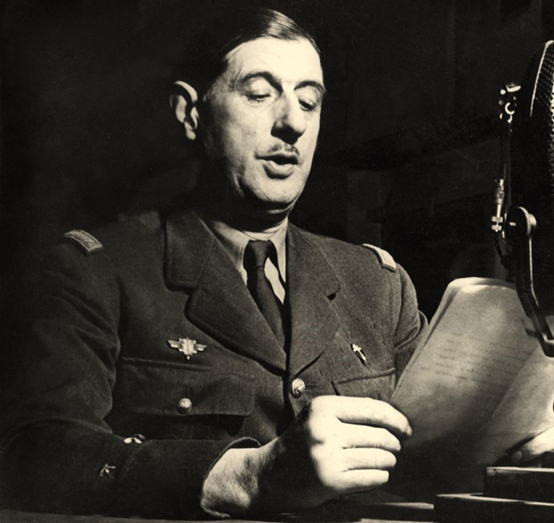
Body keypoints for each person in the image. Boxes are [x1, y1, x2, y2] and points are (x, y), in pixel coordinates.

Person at [0, 8, 427, 519]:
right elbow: (35, 455)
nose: (293, 122)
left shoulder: (378, 285)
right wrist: (248, 477)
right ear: (190, 113)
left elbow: (446, 448)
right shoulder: (97, 273)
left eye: (308, 101)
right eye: (260, 94)